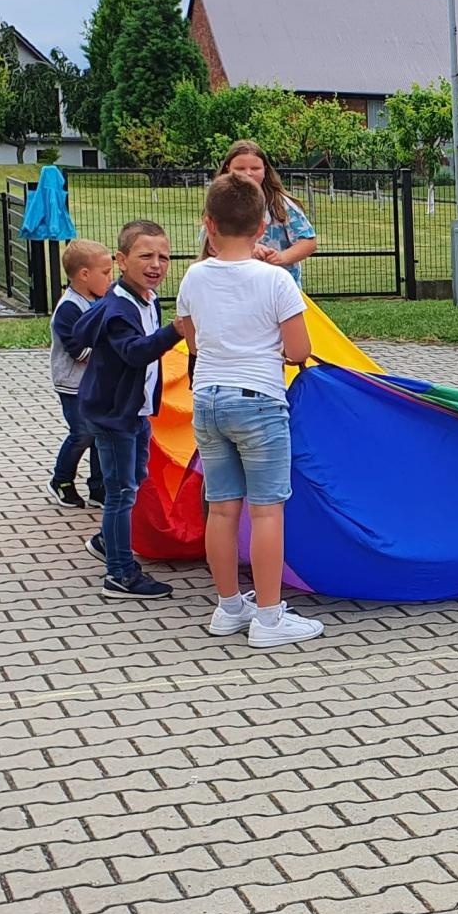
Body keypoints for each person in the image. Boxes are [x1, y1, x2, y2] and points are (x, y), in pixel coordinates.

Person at [176, 174, 323, 648]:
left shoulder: (194, 276)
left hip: (208, 399)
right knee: (266, 513)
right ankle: (269, 617)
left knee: (221, 509)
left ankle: (228, 607)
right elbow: (299, 350)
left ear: (208, 224)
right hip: (258, 401)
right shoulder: (276, 280)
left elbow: (192, 340)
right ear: (262, 227)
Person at [71, 220, 186, 599]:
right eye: (146, 256)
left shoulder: (146, 299)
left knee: (133, 478)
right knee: (121, 492)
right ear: (121, 260)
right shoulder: (120, 308)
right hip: (114, 415)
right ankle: (120, 574)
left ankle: (108, 540)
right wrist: (175, 331)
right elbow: (136, 352)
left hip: (134, 411)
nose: (156, 264)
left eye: (164, 257)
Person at [47, 239, 112, 509]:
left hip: (97, 383)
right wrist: (114, 351)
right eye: (106, 273)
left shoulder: (101, 300)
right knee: (82, 433)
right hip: (73, 385)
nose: (111, 278)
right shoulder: (69, 309)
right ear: (85, 275)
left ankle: (99, 487)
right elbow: (79, 351)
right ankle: (61, 480)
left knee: (101, 433)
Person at [216, 140, 317, 286]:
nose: (248, 173)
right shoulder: (220, 204)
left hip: (278, 288)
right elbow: (209, 242)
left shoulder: (281, 204)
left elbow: (308, 241)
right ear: (228, 169)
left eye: (255, 168)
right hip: (235, 286)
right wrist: (247, 249)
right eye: (240, 168)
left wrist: (281, 257)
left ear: (265, 169)